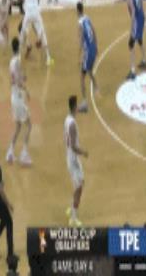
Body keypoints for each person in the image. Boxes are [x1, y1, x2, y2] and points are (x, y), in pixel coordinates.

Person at [20, 0, 54, 66]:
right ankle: (48, 57)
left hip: (27, 11)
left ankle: (17, 58)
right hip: (35, 10)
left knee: (22, 33)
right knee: (42, 32)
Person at [6, 37, 33, 166]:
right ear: (19, 47)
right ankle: (24, 154)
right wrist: (26, 89)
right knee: (29, 125)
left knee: (18, 126)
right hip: (18, 97)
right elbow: (17, 80)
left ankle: (10, 152)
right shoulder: (17, 60)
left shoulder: (11, 61)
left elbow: (14, 77)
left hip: (13, 96)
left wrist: (22, 77)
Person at [64, 95, 88, 227]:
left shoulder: (67, 119)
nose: (78, 107)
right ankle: (73, 217)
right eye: (77, 105)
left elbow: (78, 110)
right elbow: (73, 146)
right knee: (79, 188)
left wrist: (83, 109)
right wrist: (83, 152)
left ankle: (71, 208)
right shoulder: (72, 125)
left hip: (71, 157)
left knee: (80, 183)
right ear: (74, 106)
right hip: (73, 159)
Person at [121, 0, 146, 79]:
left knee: (130, 44)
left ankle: (133, 71)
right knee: (139, 39)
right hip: (142, 16)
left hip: (136, 19)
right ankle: (144, 61)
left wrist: (132, 27)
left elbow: (133, 11)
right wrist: (142, 10)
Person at [76, 2, 99, 112]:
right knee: (89, 70)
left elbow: (81, 41)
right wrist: (96, 46)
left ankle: (84, 103)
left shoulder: (79, 23)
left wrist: (79, 56)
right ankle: (96, 87)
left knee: (81, 76)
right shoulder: (87, 18)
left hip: (88, 51)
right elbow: (94, 31)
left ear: (77, 10)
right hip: (93, 47)